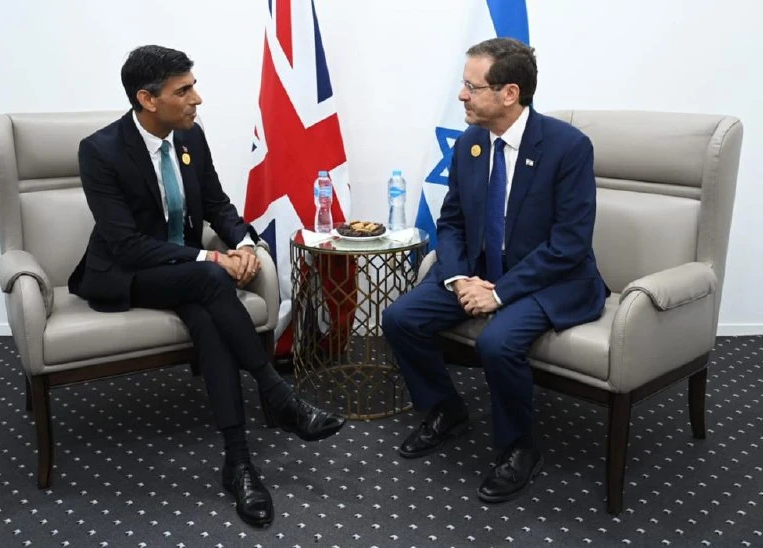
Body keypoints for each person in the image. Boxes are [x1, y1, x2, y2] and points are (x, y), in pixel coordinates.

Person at [68, 45, 346, 527]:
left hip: (191, 277)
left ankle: (238, 463)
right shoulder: (101, 151)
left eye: (192, 85)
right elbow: (127, 244)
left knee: (207, 314)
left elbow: (217, 203)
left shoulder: (190, 136)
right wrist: (212, 257)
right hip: (124, 273)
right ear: (147, 99)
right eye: (184, 90)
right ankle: (277, 393)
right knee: (207, 276)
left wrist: (241, 244)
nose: (197, 98)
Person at [382, 38, 608, 504]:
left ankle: (519, 448)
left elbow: (568, 246)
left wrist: (499, 293)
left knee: (497, 342)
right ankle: (446, 411)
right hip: (481, 273)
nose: (462, 96)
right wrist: (459, 277)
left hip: (551, 280)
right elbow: (452, 223)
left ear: (509, 93)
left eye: (471, 86)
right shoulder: (470, 144)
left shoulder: (568, 148)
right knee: (401, 318)